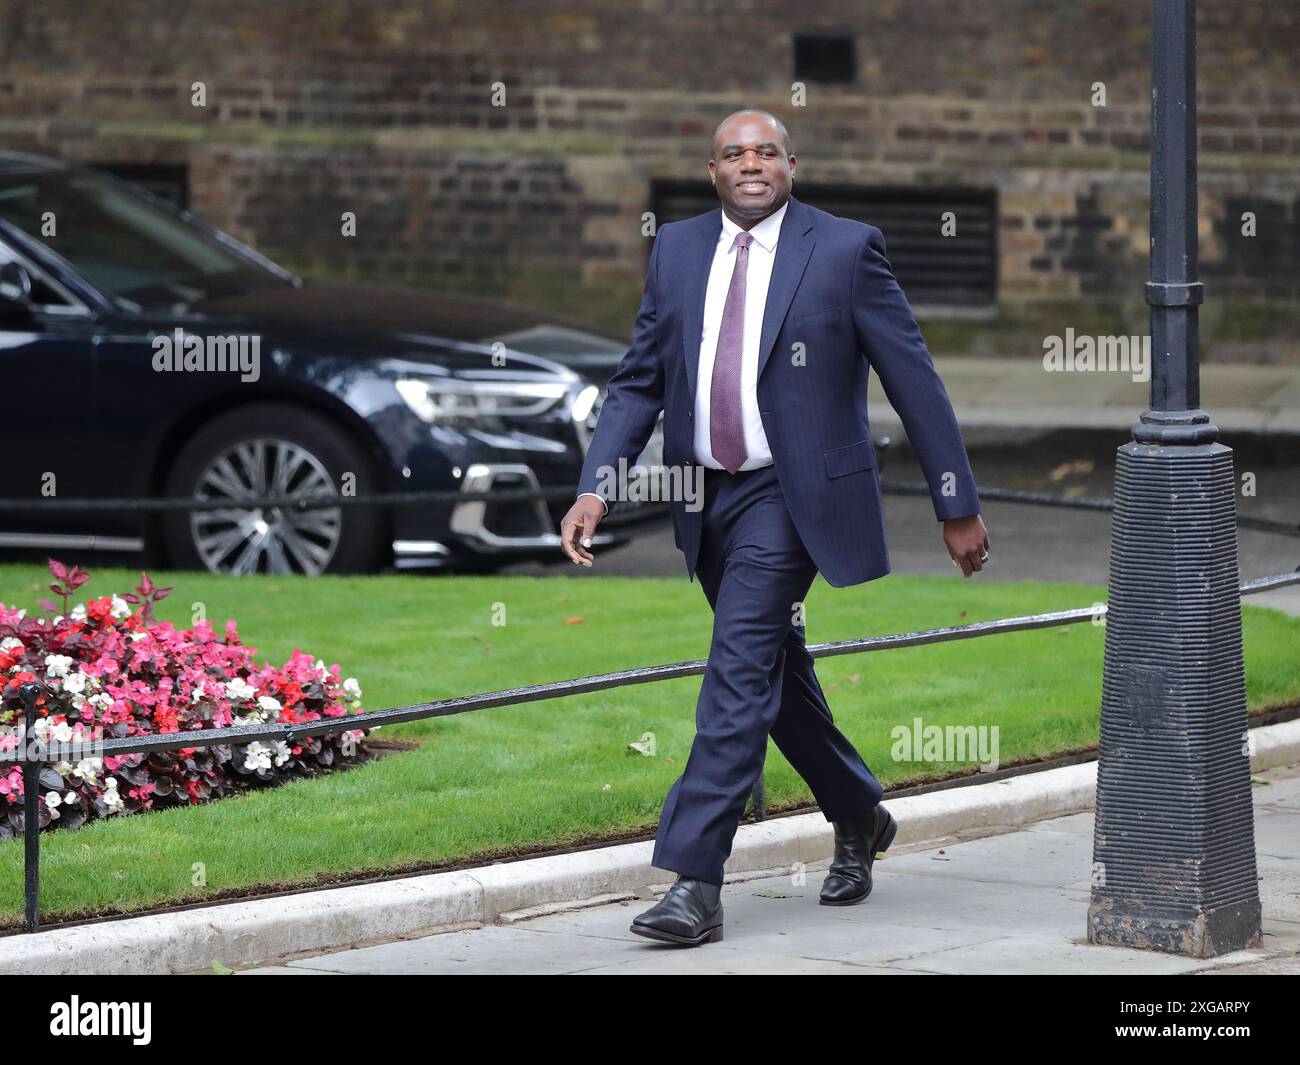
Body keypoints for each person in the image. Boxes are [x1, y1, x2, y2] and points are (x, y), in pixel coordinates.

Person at [559, 108, 990, 947]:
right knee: (772, 674)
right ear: (712, 171)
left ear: (793, 163)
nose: (750, 164)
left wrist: (956, 502)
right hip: (706, 495)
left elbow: (915, 378)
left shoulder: (844, 248)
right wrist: (595, 489)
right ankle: (860, 812)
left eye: (766, 152)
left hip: (794, 498)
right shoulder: (679, 249)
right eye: (733, 154)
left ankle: (694, 880)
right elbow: (638, 381)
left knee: (735, 666)